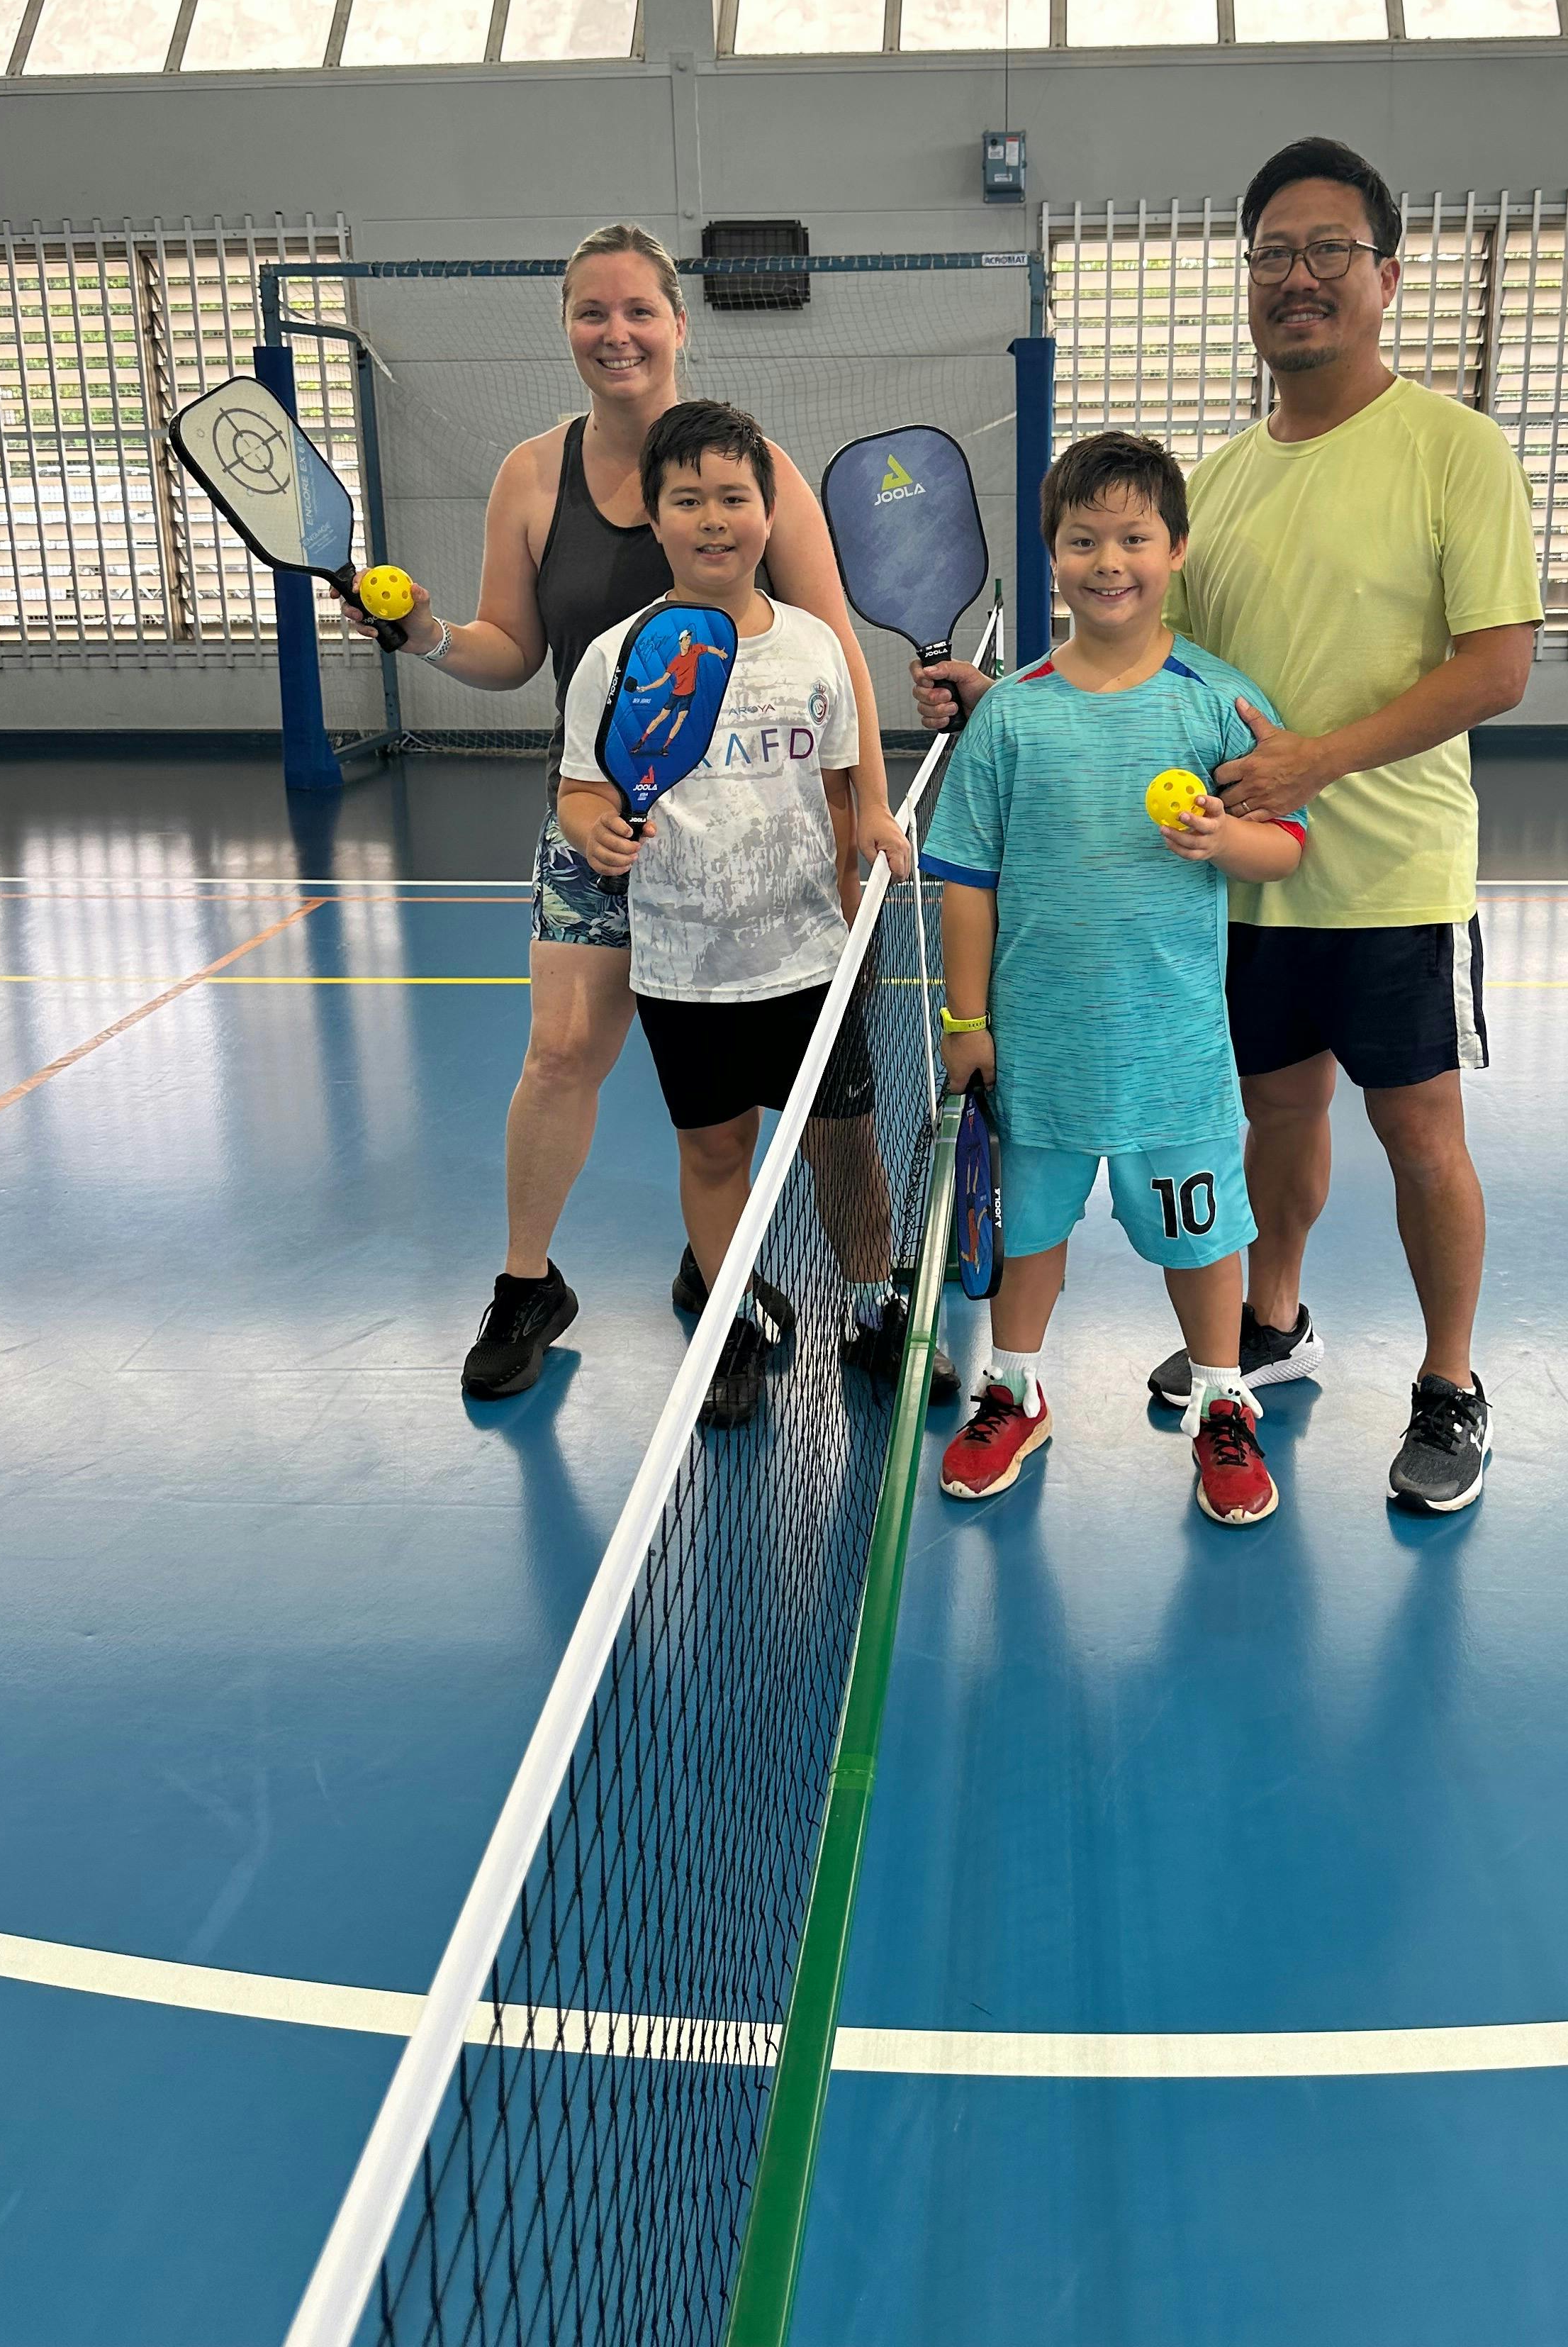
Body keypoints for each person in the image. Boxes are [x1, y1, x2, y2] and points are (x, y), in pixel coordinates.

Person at [917, 139, 1540, 1516]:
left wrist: (1315, 765)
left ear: (1385, 274)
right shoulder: (1228, 480)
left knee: (1422, 1133)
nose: (1299, 278)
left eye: (1329, 251)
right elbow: (1136, 660)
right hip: (1235, 893)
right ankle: (1269, 1327)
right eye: (1274, 255)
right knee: (1276, 1113)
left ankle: (1449, 1382)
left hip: (1389, 872)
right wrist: (995, 695)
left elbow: (1498, 663)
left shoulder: (1455, 449)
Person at [341, 223, 907, 1399]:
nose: (617, 333)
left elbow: (834, 648)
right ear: (567, 330)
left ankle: (744, 1279)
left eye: (638, 310)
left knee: (781, 1097)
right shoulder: (530, 475)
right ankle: (528, 1284)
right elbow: (512, 654)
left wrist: (869, 809)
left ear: (678, 322)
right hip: (606, 817)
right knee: (561, 1055)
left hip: (758, 826)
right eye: (592, 313)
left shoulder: (761, 469)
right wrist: (428, 634)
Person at [922, 431, 1308, 1527]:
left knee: (1205, 1236)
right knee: (1029, 1233)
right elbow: (967, 882)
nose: (1110, 561)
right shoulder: (1013, 711)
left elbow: (1289, 843)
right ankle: (1015, 1388)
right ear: (1053, 553)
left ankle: (1225, 1403)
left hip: (1174, 1050)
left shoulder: (1217, 702)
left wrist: (1228, 844)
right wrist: (964, 1019)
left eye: (1135, 538)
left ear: (1175, 550)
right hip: (1038, 1044)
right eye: (1084, 539)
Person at [554, 399, 954, 1425]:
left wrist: (870, 817)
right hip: (685, 971)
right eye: (688, 499)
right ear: (653, 517)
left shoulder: (816, 646)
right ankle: (731, 1317)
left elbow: (838, 778)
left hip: (811, 960)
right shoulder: (618, 657)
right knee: (715, 1152)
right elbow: (582, 786)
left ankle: (872, 1303)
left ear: (770, 515)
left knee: (847, 1144)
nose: (714, 518)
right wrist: (595, 825)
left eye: (734, 496)